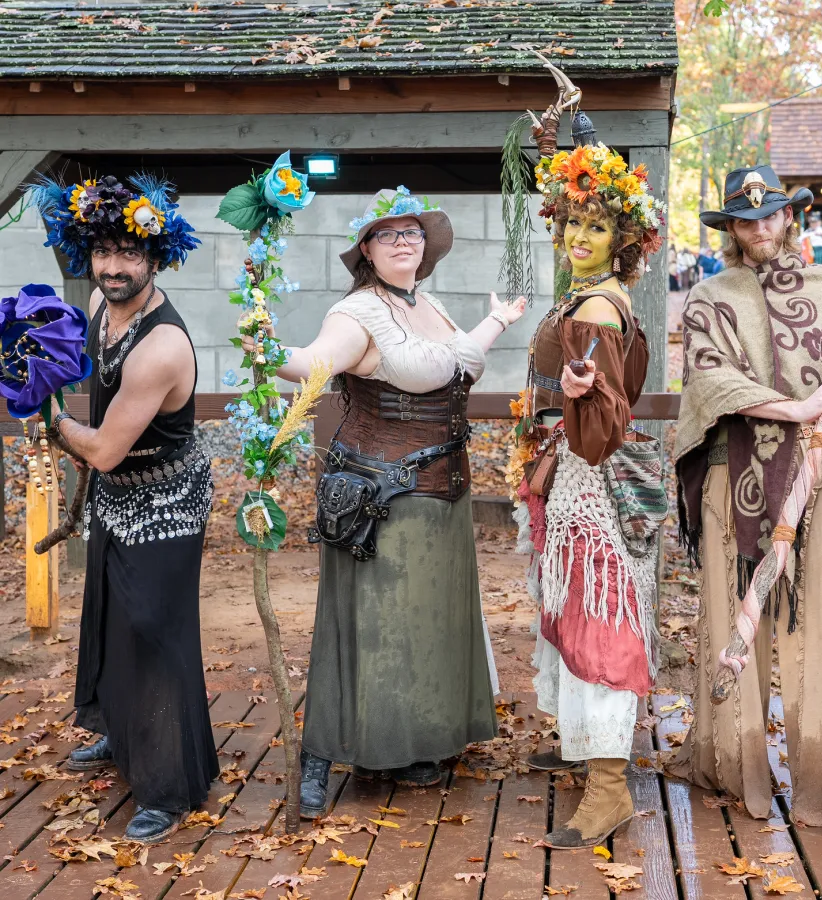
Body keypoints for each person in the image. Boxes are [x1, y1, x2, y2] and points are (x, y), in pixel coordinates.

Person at [245, 187, 525, 819]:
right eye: (389, 234)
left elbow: (461, 359)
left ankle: (416, 741)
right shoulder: (359, 313)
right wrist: (268, 349)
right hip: (381, 495)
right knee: (367, 627)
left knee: (428, 626)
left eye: (413, 233)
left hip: (444, 490)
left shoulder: (428, 304)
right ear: (366, 251)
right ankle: (324, 752)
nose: (404, 241)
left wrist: (502, 318)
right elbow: (314, 363)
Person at [672, 165, 822, 842]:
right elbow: (711, 380)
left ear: (788, 218)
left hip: (821, 469)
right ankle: (733, 762)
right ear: (731, 229)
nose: (760, 227)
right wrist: (796, 405)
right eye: (746, 219)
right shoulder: (708, 296)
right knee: (732, 611)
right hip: (731, 473)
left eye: (769, 214)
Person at [27, 173, 215, 843]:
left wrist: (44, 411)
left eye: (128, 254)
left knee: (156, 632)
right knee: (110, 614)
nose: (112, 266)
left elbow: (103, 450)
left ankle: (167, 787)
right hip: (117, 496)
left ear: (155, 258)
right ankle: (118, 732)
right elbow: (74, 361)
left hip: (166, 498)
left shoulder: (161, 345)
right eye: (102, 252)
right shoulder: (106, 311)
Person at [509, 137, 667, 849]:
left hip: (590, 486)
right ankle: (584, 749)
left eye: (597, 227)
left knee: (601, 617)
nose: (579, 237)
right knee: (577, 612)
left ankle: (609, 789)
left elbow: (601, 433)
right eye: (573, 223)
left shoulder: (599, 310)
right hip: (568, 479)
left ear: (623, 239)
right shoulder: (590, 296)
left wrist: (577, 399)